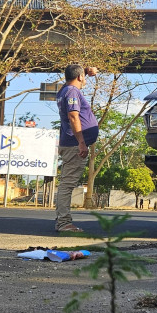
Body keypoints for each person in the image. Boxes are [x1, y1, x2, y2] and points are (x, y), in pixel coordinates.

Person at [54, 63, 99, 233]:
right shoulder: (72, 91)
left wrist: (85, 71)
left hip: (69, 143)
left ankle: (61, 220)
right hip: (74, 144)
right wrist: (81, 142)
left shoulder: (64, 90)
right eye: (83, 76)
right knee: (67, 184)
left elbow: (72, 78)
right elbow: (73, 117)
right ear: (79, 77)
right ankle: (64, 223)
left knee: (66, 182)